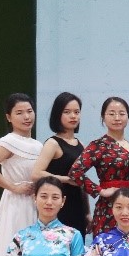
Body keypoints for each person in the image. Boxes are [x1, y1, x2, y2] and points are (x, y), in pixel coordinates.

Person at [0, 93, 42, 256]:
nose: (26, 117)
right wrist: (13, 187)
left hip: (35, 203)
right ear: (9, 117)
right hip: (17, 204)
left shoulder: (38, 145)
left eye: (29, 111)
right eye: (19, 113)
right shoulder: (8, 141)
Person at [68, 97, 129, 236]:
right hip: (109, 205)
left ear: (128, 117)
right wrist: (99, 190)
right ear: (103, 117)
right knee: (106, 245)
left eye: (122, 113)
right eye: (111, 114)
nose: (117, 118)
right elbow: (75, 172)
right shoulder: (98, 145)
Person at [31, 92, 89, 233]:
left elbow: (82, 181)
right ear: (58, 114)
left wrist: (87, 212)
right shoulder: (53, 143)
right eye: (67, 112)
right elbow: (36, 174)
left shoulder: (81, 144)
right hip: (57, 204)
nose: (73, 116)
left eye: (76, 112)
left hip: (78, 205)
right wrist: (66, 179)